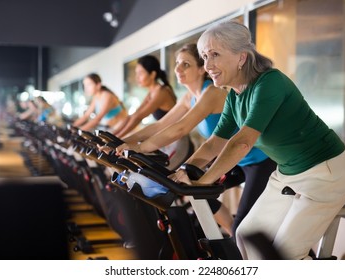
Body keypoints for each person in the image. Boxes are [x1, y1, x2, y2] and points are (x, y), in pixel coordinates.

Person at [172, 20, 345, 260]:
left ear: (242, 58)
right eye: (205, 56)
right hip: (288, 174)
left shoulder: (269, 83)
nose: (208, 65)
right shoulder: (234, 97)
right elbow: (214, 143)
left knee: (284, 255)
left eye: (215, 54)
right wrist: (185, 170)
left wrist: (204, 182)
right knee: (246, 236)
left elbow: (242, 142)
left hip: (325, 173)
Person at [112, 43, 276, 237]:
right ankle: (231, 243)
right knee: (196, 192)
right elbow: (160, 125)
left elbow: (180, 128)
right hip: (233, 160)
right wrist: (119, 142)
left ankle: (240, 247)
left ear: (201, 69)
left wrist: (140, 147)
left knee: (241, 223)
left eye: (186, 64)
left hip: (259, 161)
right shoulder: (190, 96)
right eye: (177, 63)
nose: (178, 69)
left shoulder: (212, 93)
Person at [111, 55, 177, 139]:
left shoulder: (161, 92)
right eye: (136, 73)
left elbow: (138, 117)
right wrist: (111, 135)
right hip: (168, 137)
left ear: (152, 74)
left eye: (140, 73)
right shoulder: (152, 92)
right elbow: (134, 115)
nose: (137, 77)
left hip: (177, 140)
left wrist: (116, 138)